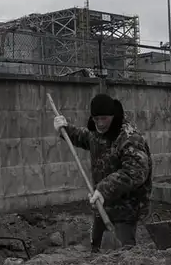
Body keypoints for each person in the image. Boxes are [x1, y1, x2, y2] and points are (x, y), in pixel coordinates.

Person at [53, 93, 152, 253]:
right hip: (102, 206)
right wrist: (65, 129)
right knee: (97, 252)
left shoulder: (129, 138)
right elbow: (84, 137)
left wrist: (103, 189)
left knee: (124, 256)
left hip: (126, 210)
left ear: (113, 116)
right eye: (96, 118)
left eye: (104, 119)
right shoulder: (97, 133)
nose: (100, 123)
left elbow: (135, 172)